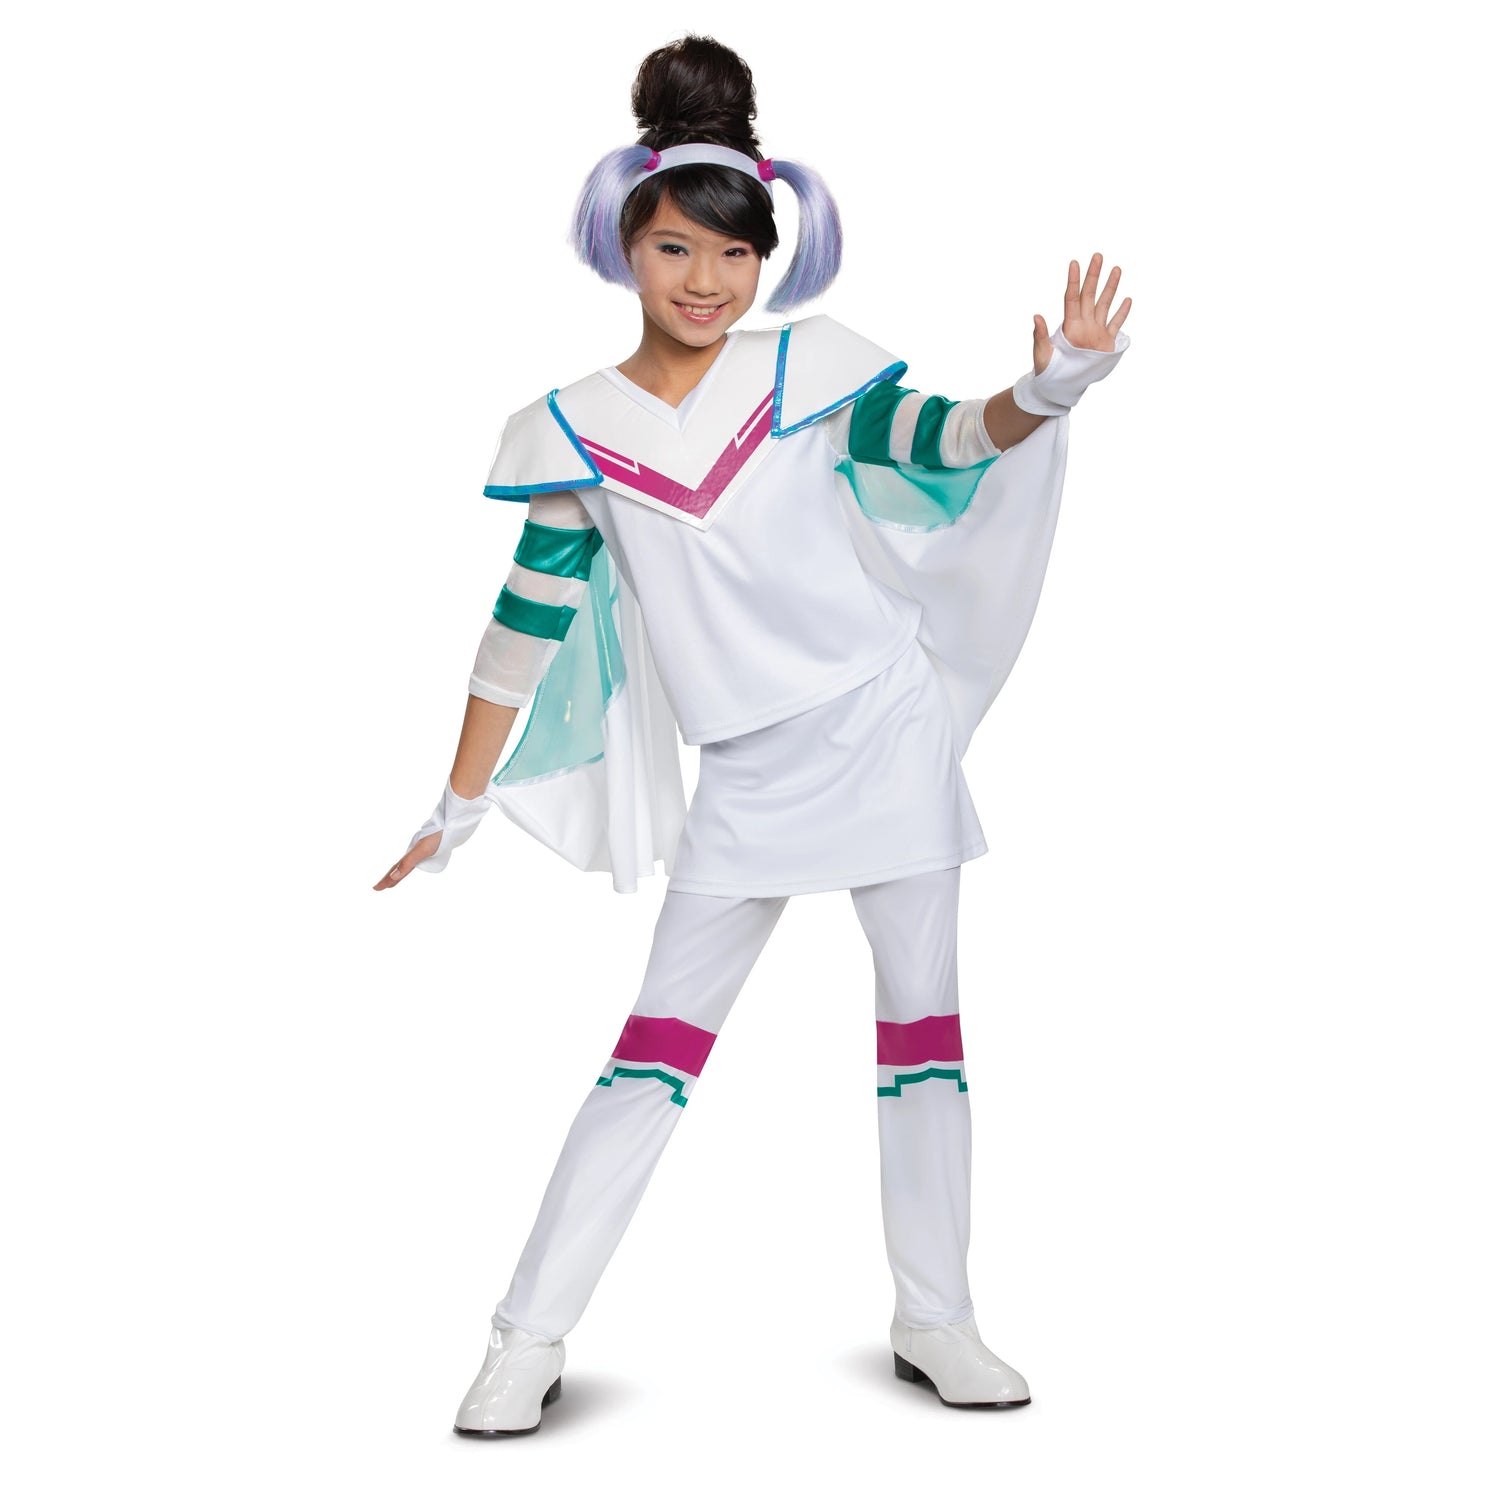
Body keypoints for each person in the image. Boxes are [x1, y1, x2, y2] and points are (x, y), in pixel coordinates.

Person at [374, 34, 1132, 1436]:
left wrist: (1053, 388)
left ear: (767, 256)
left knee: (924, 1029)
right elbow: (519, 630)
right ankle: (524, 1338)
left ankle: (937, 1316)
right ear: (625, 242)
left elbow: (948, 439)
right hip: (749, 774)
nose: (705, 280)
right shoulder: (573, 432)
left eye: (734, 253)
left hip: (885, 731)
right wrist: (458, 801)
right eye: (675, 248)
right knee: (652, 1051)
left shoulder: (813, 374)